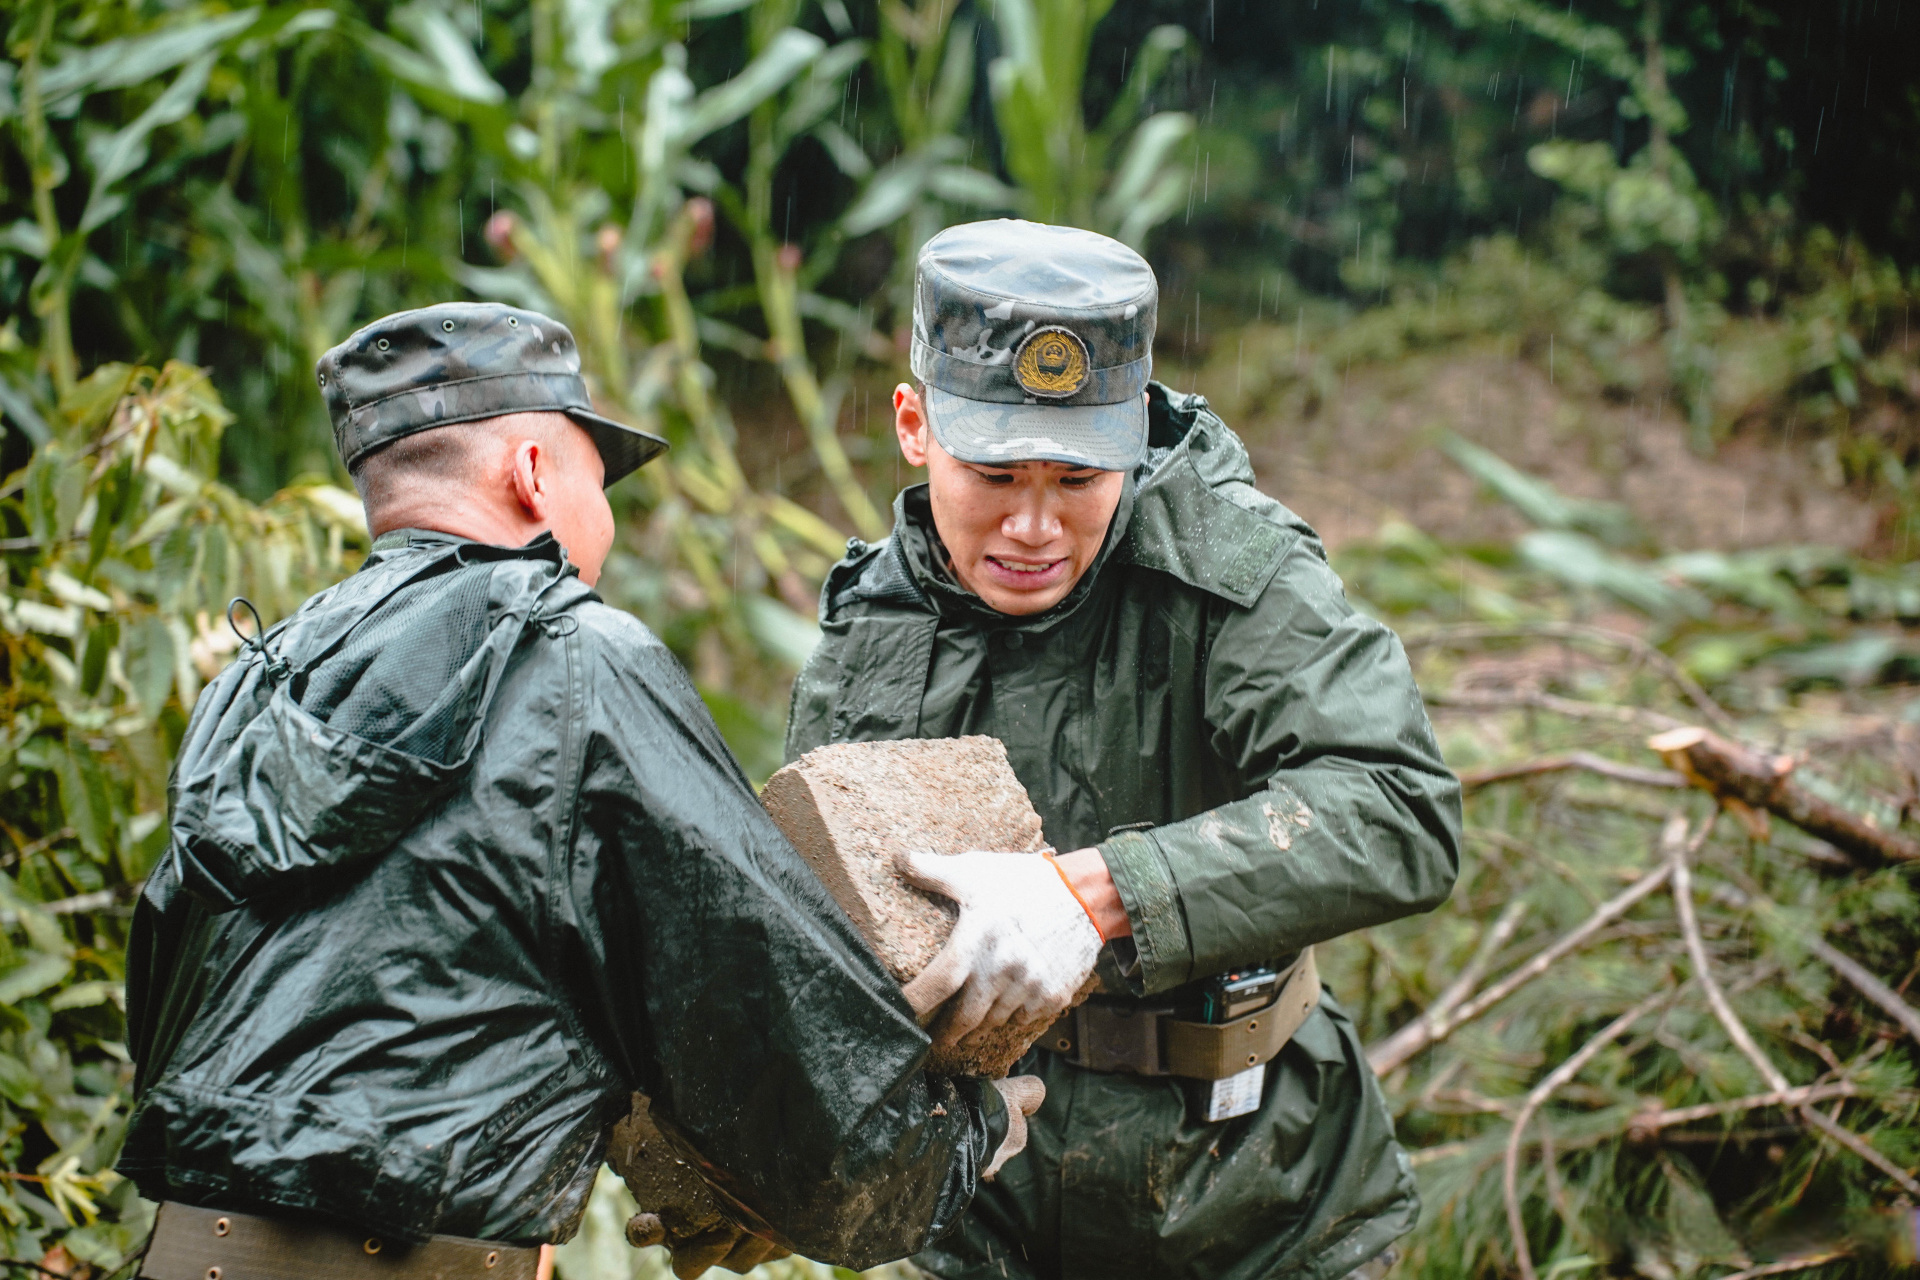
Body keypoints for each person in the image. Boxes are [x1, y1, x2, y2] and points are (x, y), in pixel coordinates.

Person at [119, 302, 1041, 1280]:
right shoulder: (575, 660)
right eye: (597, 482)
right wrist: (953, 1139)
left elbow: (176, 992)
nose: (604, 517)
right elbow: (760, 999)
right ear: (531, 476)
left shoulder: (256, 679)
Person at [786, 221, 1464, 1280]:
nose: (1033, 524)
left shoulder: (1234, 573)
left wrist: (1100, 894)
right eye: (997, 473)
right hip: (977, 1211)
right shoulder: (878, 616)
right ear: (915, 425)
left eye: (1078, 478)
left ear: (1137, 436)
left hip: (1250, 1198)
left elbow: (1397, 808)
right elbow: (819, 917)